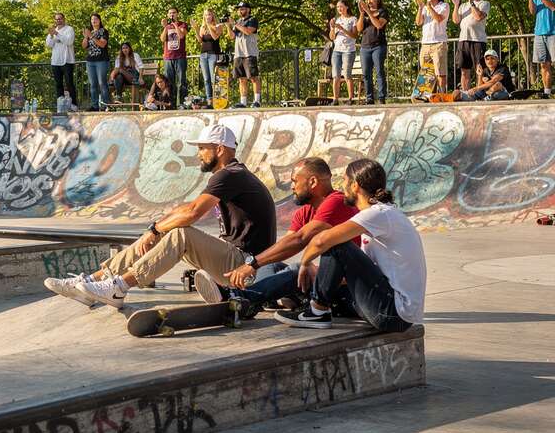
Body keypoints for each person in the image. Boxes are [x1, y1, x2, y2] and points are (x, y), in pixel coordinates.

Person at [45, 124, 277, 308]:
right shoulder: (233, 174)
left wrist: (157, 230)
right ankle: (94, 282)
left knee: (181, 234)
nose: (198, 154)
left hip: (247, 268)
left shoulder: (230, 175)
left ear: (219, 149)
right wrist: (154, 229)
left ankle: (119, 287)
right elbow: (187, 207)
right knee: (168, 230)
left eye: (202, 148)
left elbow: (193, 213)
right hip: (238, 261)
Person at [276, 158, 426, 332]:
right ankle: (307, 300)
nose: (342, 186)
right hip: (390, 309)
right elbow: (363, 272)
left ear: (355, 185)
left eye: (345, 181)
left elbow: (321, 240)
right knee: (325, 282)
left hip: (393, 313)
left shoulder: (378, 214)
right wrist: (324, 276)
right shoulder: (383, 213)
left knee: (337, 244)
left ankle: (317, 312)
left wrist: (305, 263)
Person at [193, 157, 356, 312]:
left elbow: (298, 240)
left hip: (350, 289)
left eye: (294, 181)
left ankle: (238, 297)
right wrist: (256, 264)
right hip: (327, 286)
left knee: (297, 269)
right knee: (271, 265)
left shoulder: (336, 202)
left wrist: (251, 264)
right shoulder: (305, 212)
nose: (292, 186)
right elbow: (284, 247)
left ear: (312, 182)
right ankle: (252, 302)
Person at [451, 0, 489, 93]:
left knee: (480, 70)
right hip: (463, 40)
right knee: (464, 70)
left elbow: (478, 17)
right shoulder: (463, 6)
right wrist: (456, 5)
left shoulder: (484, 3)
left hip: (478, 40)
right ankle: (465, 93)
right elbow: (456, 20)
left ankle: (479, 93)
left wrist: (472, 3)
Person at [523, 0, 555, 98]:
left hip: (553, 32)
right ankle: (547, 93)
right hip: (539, 32)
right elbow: (532, 11)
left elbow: (553, 7)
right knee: (544, 64)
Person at [415, 0, 451, 95]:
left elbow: (439, 19)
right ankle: (427, 96)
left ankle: (441, 95)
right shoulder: (425, 7)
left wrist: (429, 7)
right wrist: (421, 7)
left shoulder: (444, 5)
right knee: (426, 73)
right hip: (425, 43)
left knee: (440, 72)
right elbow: (418, 22)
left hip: (438, 43)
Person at [356, 0, 389, 104]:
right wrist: (361, 13)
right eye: (367, 0)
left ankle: (381, 97)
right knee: (366, 73)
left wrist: (368, 12)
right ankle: (369, 98)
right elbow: (359, 29)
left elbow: (379, 25)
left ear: (377, 0)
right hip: (365, 47)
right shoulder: (364, 14)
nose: (368, 1)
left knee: (379, 71)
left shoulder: (382, 12)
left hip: (378, 46)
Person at [230, 2, 261, 107]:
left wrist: (235, 24)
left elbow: (248, 31)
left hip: (250, 53)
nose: (240, 11)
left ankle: (257, 101)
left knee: (253, 77)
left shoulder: (253, 20)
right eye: (239, 9)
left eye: (242, 9)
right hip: (239, 53)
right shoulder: (238, 22)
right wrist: (227, 25)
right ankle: (243, 102)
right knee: (241, 79)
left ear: (248, 9)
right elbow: (231, 36)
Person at [329, 0, 359, 103]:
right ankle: (335, 99)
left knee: (347, 74)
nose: (339, 9)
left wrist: (342, 29)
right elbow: (332, 37)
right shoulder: (336, 20)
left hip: (348, 50)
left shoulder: (353, 19)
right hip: (337, 50)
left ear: (347, 7)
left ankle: (350, 98)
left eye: (341, 6)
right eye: (338, 7)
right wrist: (333, 28)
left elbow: (355, 35)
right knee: (336, 75)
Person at [159, 8, 190, 108]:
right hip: (168, 57)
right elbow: (162, 39)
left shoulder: (182, 24)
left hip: (180, 56)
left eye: (174, 13)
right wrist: (165, 27)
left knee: (181, 81)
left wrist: (175, 24)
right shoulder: (167, 27)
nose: (172, 14)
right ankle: (170, 104)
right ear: (168, 15)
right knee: (169, 82)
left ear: (177, 14)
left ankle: (181, 103)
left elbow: (181, 36)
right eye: (170, 13)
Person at [46, 13, 77, 108]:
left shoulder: (69, 29)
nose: (58, 20)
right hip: (55, 61)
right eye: (56, 19)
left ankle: (74, 104)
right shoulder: (53, 31)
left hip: (67, 61)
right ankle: (61, 105)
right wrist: (51, 36)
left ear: (64, 19)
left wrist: (57, 34)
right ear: (55, 21)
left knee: (69, 83)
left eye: (60, 19)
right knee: (58, 84)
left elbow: (69, 41)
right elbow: (49, 45)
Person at [83, 14, 111, 111]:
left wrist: (91, 36)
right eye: (92, 19)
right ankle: (95, 106)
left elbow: (102, 44)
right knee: (93, 84)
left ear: (99, 20)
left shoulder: (104, 31)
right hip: (90, 61)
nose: (93, 21)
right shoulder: (89, 32)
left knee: (102, 83)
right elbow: (84, 46)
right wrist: (86, 37)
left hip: (101, 60)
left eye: (95, 19)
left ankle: (106, 105)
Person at [197, 9, 225, 104]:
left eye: (209, 14)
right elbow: (200, 41)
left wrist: (209, 26)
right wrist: (196, 29)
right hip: (203, 54)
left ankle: (218, 99)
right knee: (206, 79)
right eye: (205, 15)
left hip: (213, 53)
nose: (207, 16)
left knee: (214, 78)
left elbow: (215, 37)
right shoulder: (203, 27)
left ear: (212, 16)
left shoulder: (218, 26)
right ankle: (209, 100)